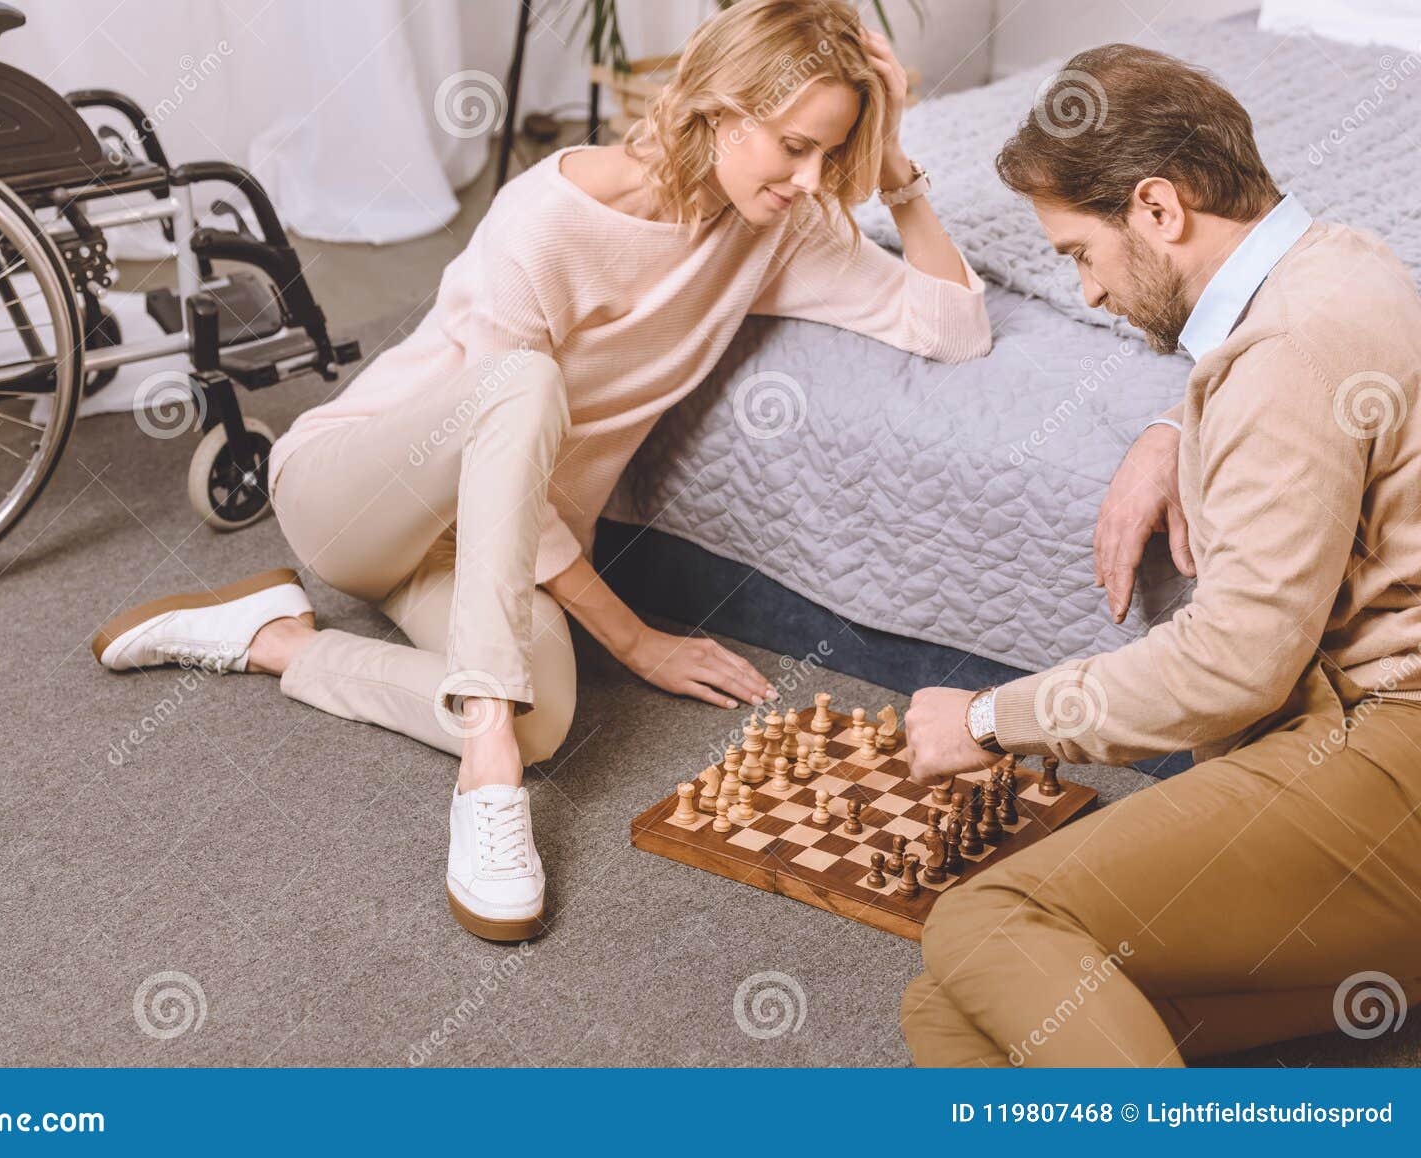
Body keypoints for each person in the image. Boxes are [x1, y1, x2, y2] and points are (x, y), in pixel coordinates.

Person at [91, 0, 993, 942]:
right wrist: (634, 639)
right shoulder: (546, 220)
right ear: (722, 111)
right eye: (795, 146)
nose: (812, 180)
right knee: (518, 384)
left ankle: (272, 640)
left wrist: (895, 175)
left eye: (831, 154)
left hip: (497, 548)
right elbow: (502, 411)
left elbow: (955, 328)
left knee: (546, 718)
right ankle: (487, 779)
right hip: (358, 492)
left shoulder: (777, 227)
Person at [897, 43, 1421, 1066]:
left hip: (1392, 757)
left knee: (981, 923)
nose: (1087, 294)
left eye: (1076, 254)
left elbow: (1235, 664)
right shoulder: (1344, 258)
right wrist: (1173, 428)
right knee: (956, 1019)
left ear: (1157, 209)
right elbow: (1287, 385)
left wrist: (987, 720)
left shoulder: (1280, 361)